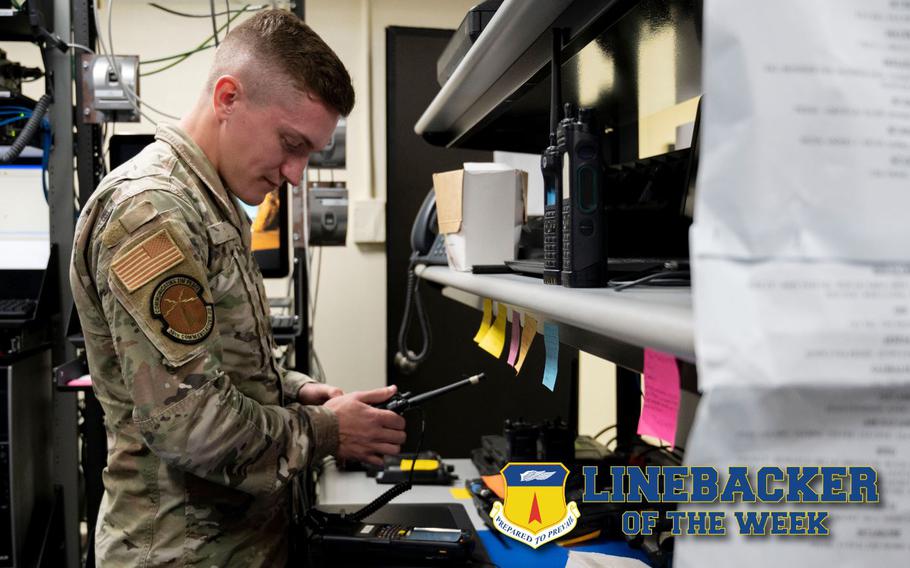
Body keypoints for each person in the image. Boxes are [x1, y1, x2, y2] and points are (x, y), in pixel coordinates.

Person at [69, 10, 406, 566]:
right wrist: (325, 432)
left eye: (310, 154)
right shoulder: (152, 212)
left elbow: (215, 361)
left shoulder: (211, 202)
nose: (296, 173)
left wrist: (293, 388)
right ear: (228, 97)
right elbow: (191, 423)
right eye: (291, 143)